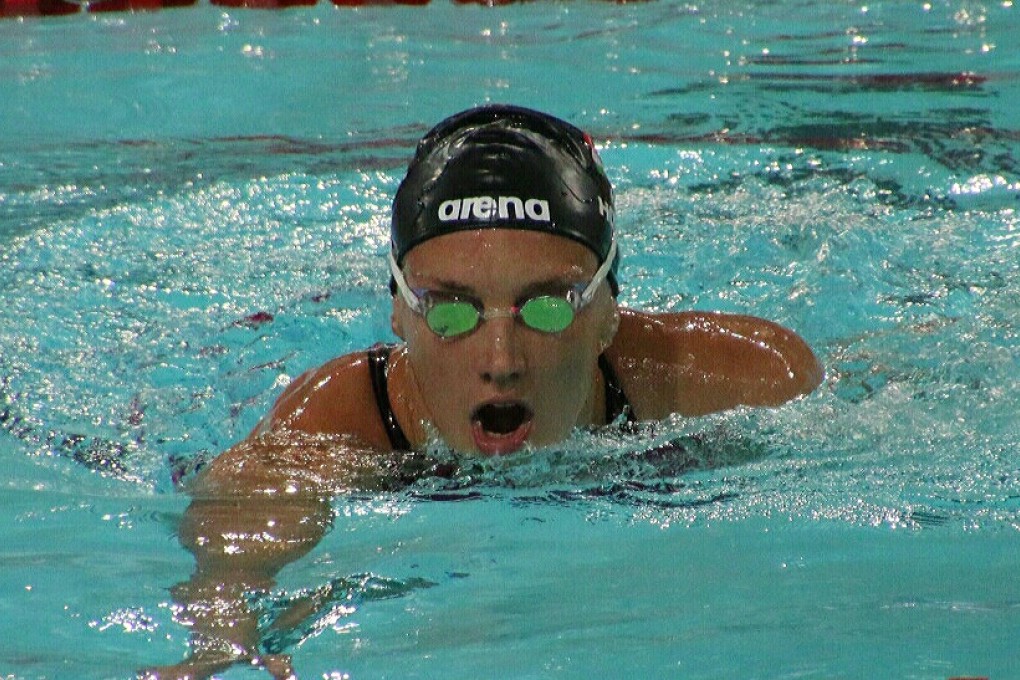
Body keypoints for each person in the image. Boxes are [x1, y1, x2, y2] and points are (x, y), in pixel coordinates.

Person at [143, 104, 823, 679]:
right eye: (452, 311)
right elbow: (243, 509)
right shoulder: (349, 418)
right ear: (400, 313)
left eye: (547, 307)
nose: (501, 361)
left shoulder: (718, 378)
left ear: (606, 314)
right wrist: (224, 628)